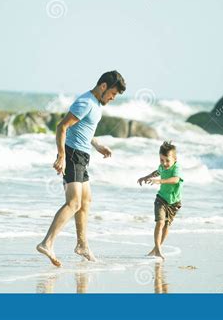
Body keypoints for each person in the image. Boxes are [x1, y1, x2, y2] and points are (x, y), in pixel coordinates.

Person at [36, 71, 126, 267]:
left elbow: (83, 130)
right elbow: (62, 127)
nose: (112, 98)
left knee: (86, 201)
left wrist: (97, 145)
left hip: (82, 156)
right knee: (74, 202)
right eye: (113, 94)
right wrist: (61, 156)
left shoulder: (95, 105)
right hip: (73, 155)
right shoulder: (85, 102)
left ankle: (82, 245)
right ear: (103, 86)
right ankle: (47, 243)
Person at [137, 141, 184, 260]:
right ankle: (158, 249)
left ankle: (156, 248)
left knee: (166, 226)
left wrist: (159, 181)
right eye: (161, 160)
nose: (164, 163)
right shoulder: (162, 166)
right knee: (160, 222)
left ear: (175, 159)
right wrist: (146, 177)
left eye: (167, 160)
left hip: (174, 203)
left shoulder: (177, 167)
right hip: (161, 199)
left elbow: (175, 180)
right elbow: (158, 171)